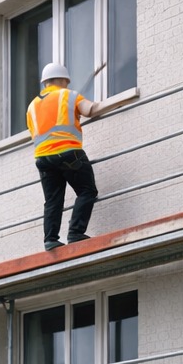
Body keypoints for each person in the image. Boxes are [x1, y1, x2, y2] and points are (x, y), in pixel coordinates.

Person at [26, 62, 114, 251]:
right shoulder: (69, 95)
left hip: (43, 158)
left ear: (45, 83)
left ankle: (50, 239)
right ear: (63, 80)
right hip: (68, 152)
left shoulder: (32, 106)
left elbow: (36, 132)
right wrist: (119, 102)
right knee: (86, 190)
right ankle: (75, 233)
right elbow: (90, 110)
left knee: (53, 200)